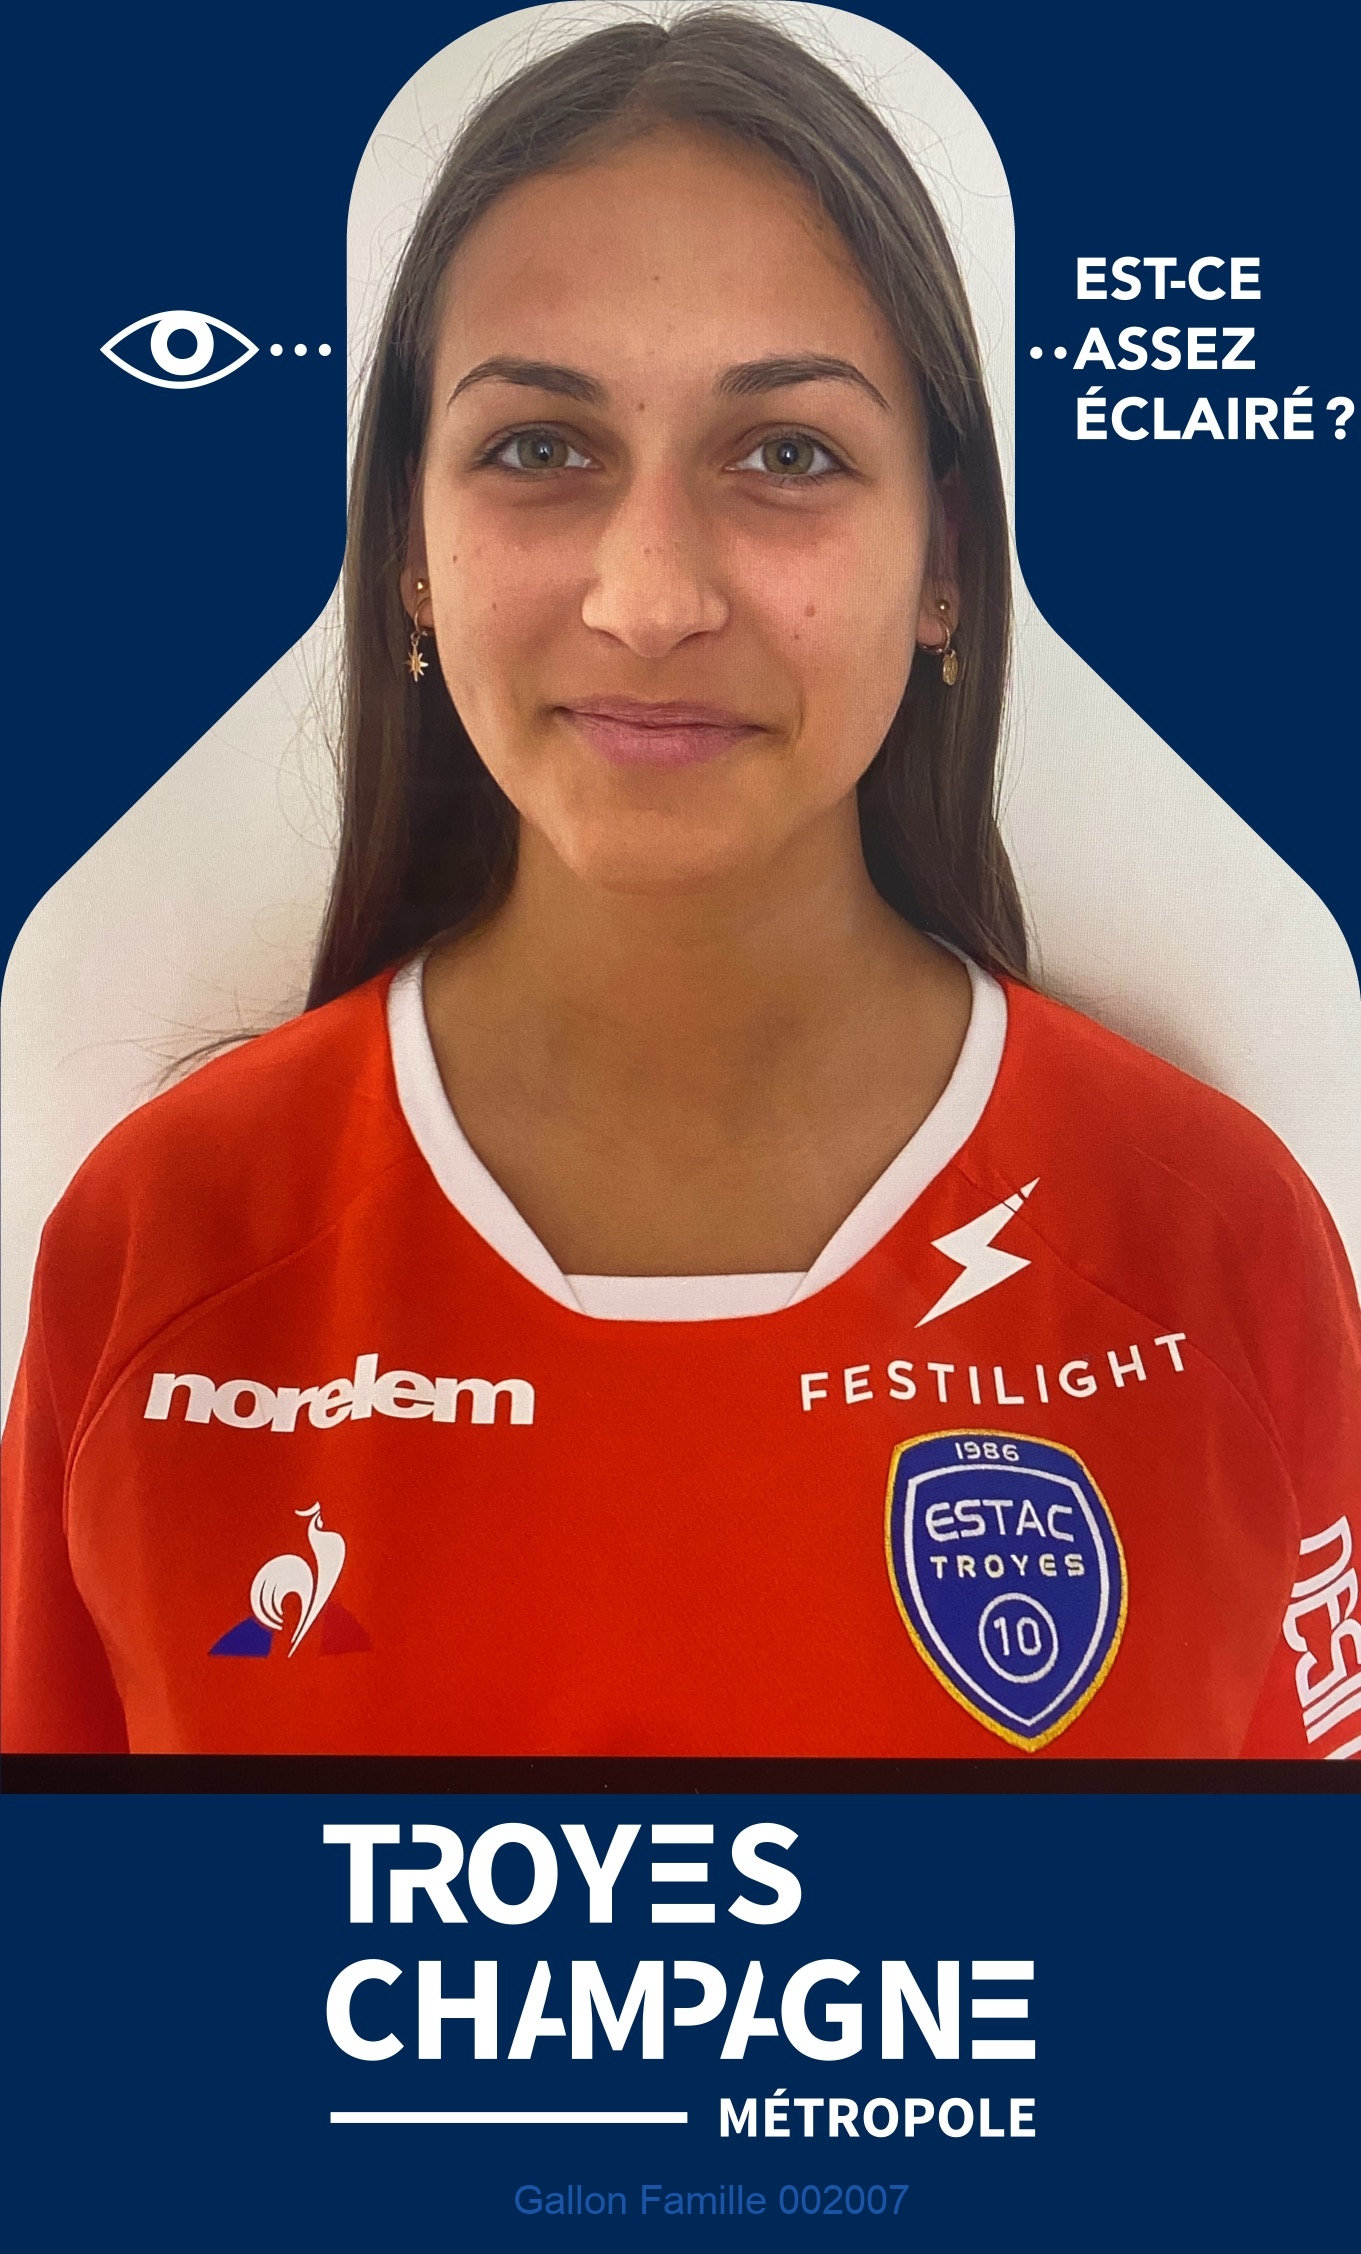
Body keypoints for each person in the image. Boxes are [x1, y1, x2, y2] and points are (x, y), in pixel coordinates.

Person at [4, 8, 1359, 1760]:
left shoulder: (1215, 1248)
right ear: (407, 548)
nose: (649, 599)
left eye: (786, 453)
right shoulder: (159, 1247)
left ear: (943, 558)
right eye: (538, 447)